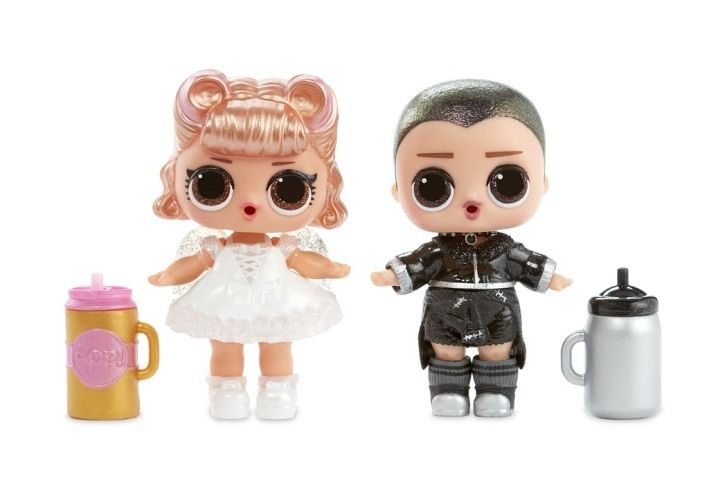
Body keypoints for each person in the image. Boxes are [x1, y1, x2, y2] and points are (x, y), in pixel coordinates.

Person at [149, 70, 349, 420]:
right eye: (211, 184)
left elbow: (302, 261)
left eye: (289, 188)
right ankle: (226, 388)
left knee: (277, 345)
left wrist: (330, 268)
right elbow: (195, 264)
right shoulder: (215, 247)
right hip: (224, 299)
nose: (251, 203)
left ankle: (278, 387)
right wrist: (168, 275)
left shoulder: (283, 246)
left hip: (277, 299)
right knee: (225, 346)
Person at [371, 79, 572, 417]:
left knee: (498, 350)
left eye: (507, 182)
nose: (472, 199)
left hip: (497, 308)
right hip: (444, 309)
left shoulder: (505, 248)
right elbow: (421, 262)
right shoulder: (439, 249)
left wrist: (550, 277)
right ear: (398, 190)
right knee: (445, 350)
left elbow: (524, 262)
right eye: (432, 186)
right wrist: (395, 274)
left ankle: (496, 391)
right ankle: (447, 390)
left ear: (542, 184)